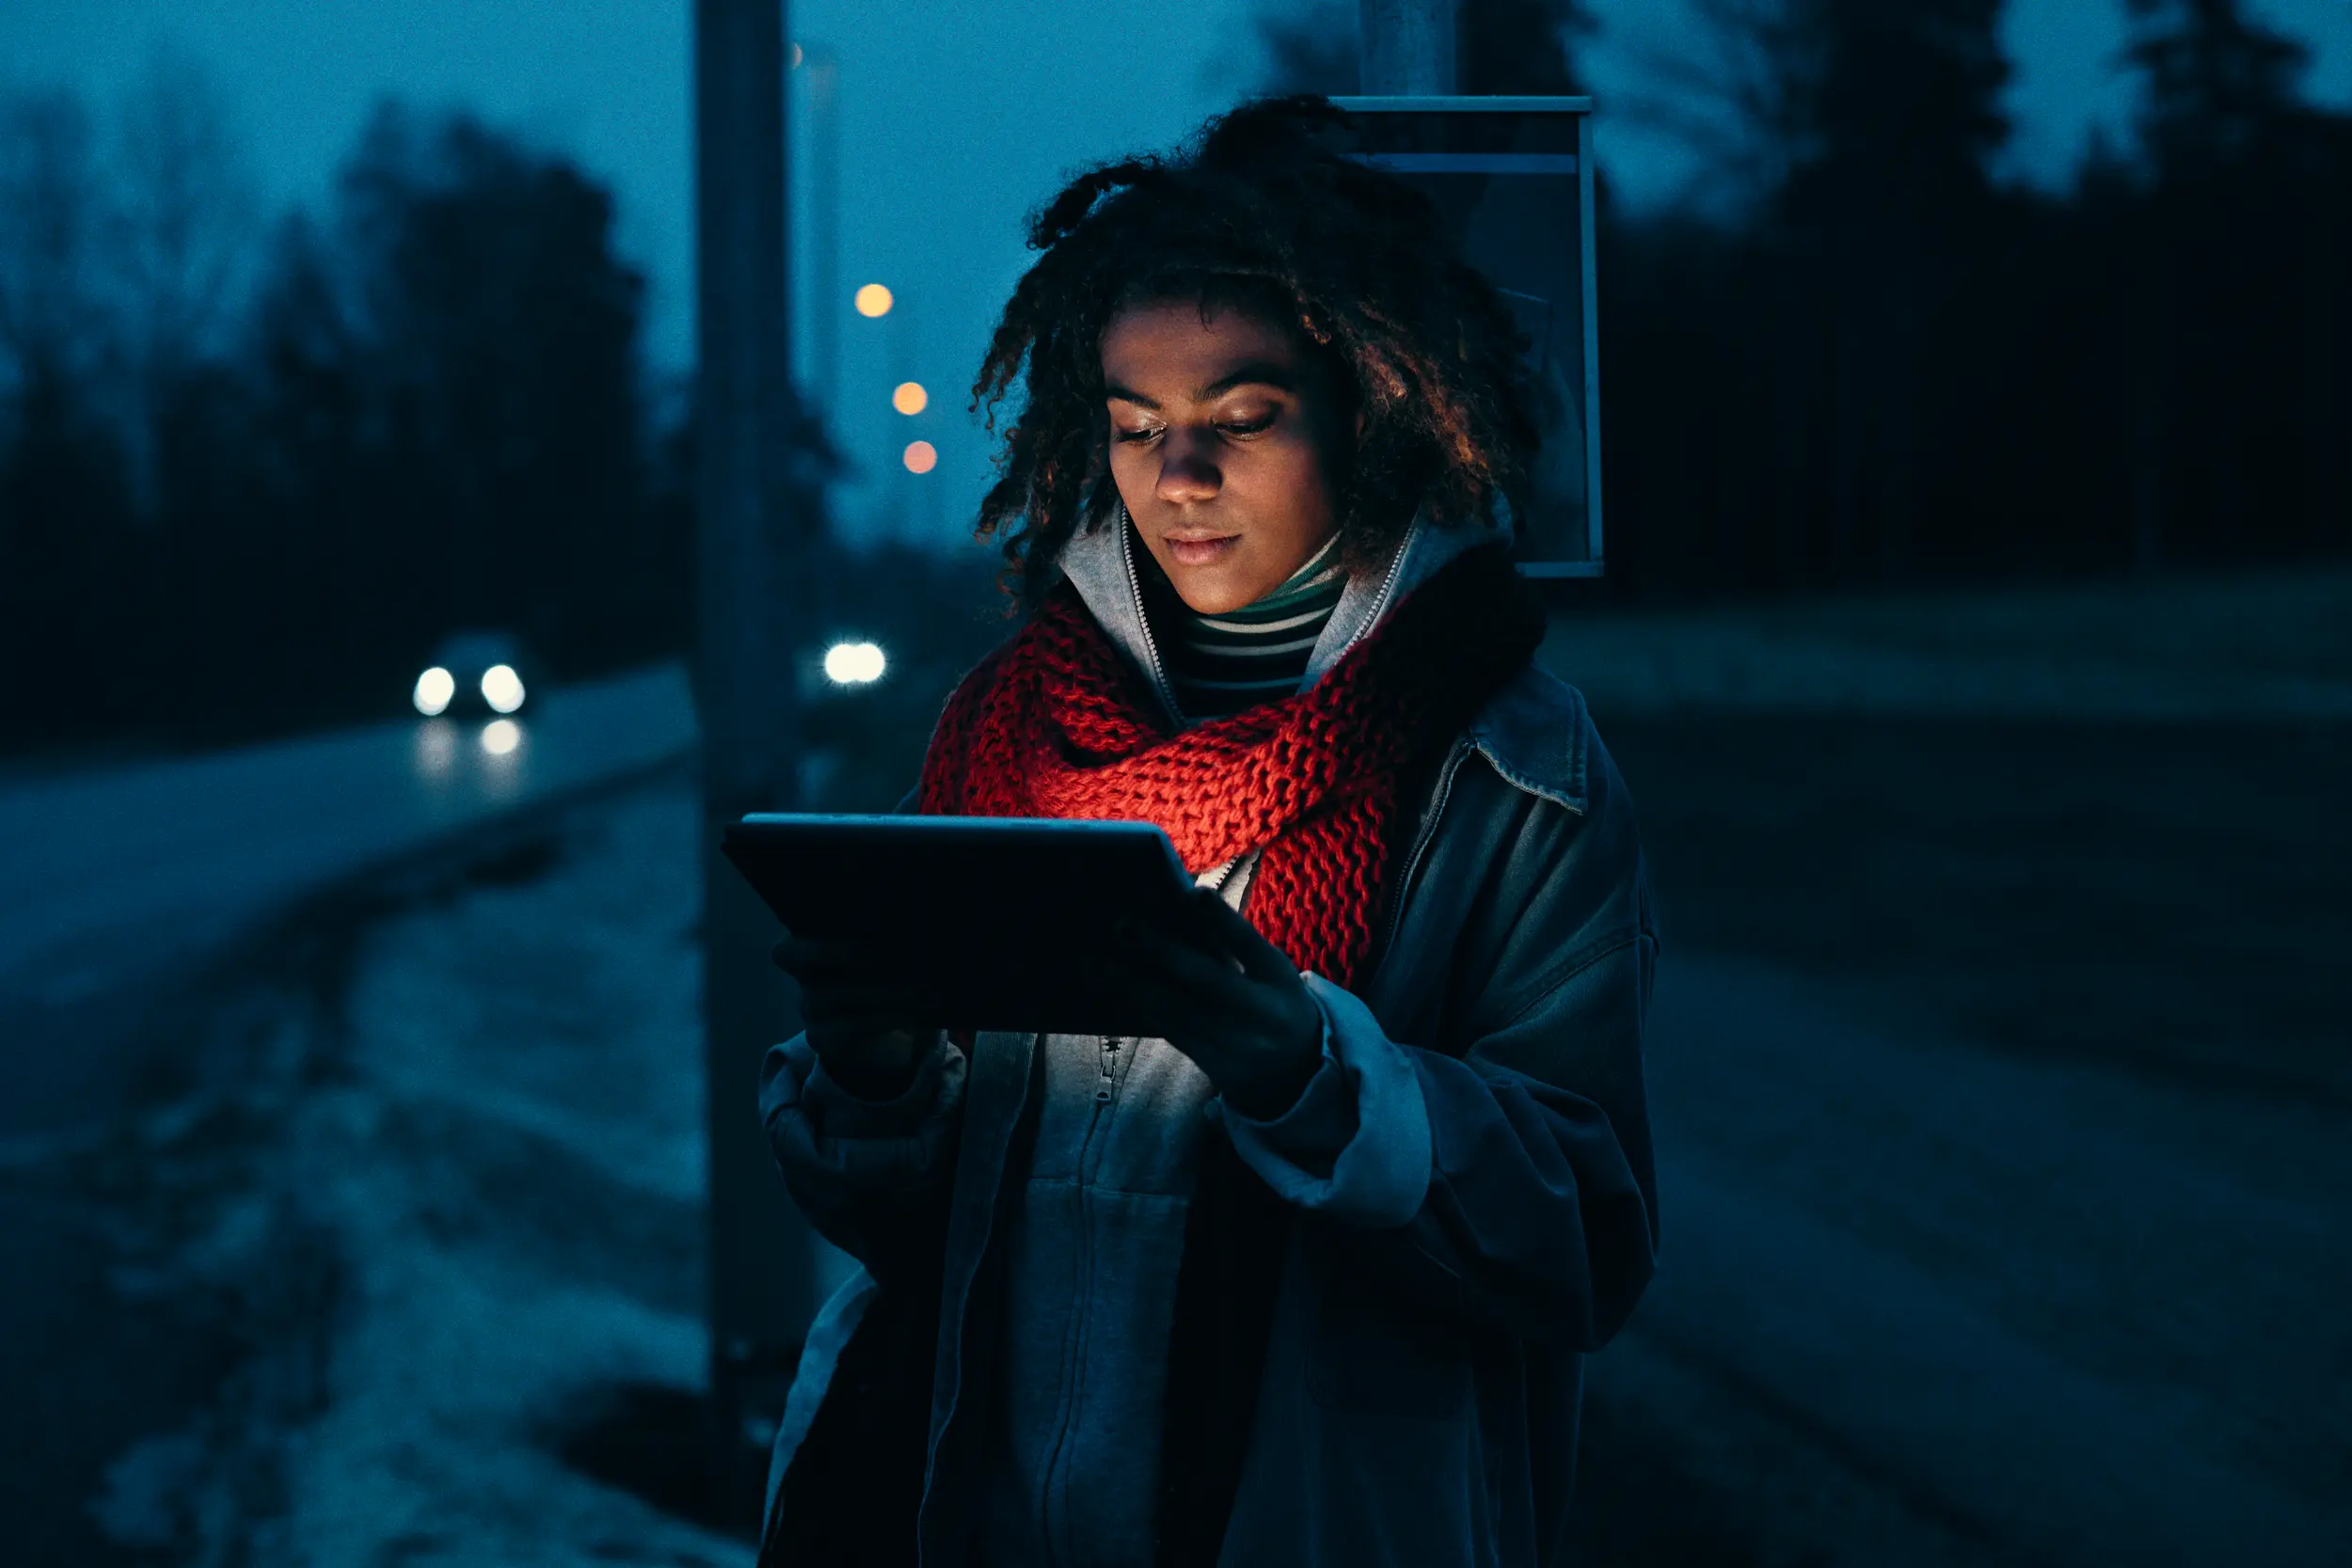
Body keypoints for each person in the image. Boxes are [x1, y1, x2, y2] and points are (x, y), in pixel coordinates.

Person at [757, 96, 1658, 1568]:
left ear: (1367, 410)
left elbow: (1589, 1235)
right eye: (1134, 426)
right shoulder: (1002, 731)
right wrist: (872, 1082)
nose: (1180, 477)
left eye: (1242, 418)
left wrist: (1314, 1080)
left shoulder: (1512, 766)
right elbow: (911, 1225)